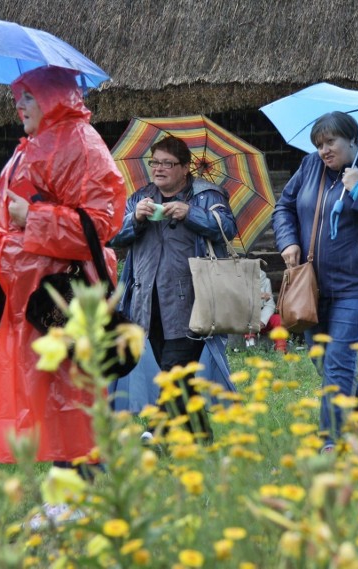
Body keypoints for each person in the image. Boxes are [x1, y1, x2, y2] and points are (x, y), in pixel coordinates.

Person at [0, 65, 126, 468]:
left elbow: (100, 223)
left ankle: (80, 493)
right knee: (45, 391)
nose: (18, 104)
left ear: (52, 97)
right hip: (20, 292)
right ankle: (65, 491)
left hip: (57, 292)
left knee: (69, 388)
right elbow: (4, 221)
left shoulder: (81, 143)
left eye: (28, 95)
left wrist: (33, 218)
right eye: (18, 96)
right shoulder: (31, 145)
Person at [272, 111, 358, 453]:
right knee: (322, 359)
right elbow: (284, 208)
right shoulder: (308, 167)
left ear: (353, 140)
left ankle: (331, 442)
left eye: (331, 142)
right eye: (319, 144)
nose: (323, 151)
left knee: (339, 361)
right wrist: (288, 241)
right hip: (313, 285)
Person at [109, 135, 237, 442]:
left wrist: (190, 213)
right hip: (147, 300)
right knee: (181, 375)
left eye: (168, 163)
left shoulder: (206, 195)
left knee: (173, 369)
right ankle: (202, 439)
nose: (159, 169)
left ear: (185, 168)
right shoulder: (140, 197)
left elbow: (228, 228)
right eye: (155, 162)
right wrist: (134, 219)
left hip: (194, 300)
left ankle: (156, 430)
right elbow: (113, 236)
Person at [243, 268, 286, 353]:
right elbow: (242, 304)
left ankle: (280, 349)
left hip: (263, 318)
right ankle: (250, 346)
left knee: (278, 319)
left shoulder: (266, 281)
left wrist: (263, 320)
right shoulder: (243, 283)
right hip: (249, 318)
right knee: (247, 316)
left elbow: (270, 304)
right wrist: (257, 296)